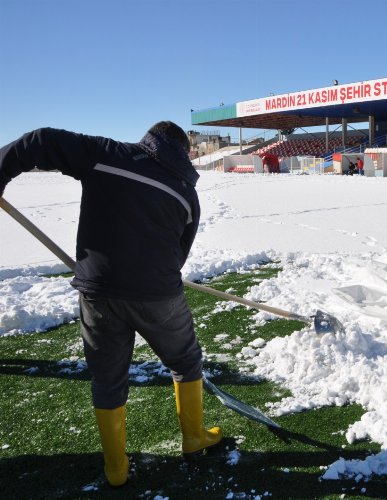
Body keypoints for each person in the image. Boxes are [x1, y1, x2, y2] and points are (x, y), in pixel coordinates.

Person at [0, 122, 222, 487]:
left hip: (100, 292)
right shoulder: (186, 192)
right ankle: (194, 439)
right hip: (159, 295)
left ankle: (116, 469)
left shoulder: (107, 155)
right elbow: (180, 251)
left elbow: (40, 141)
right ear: (183, 150)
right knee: (185, 361)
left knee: (108, 377)